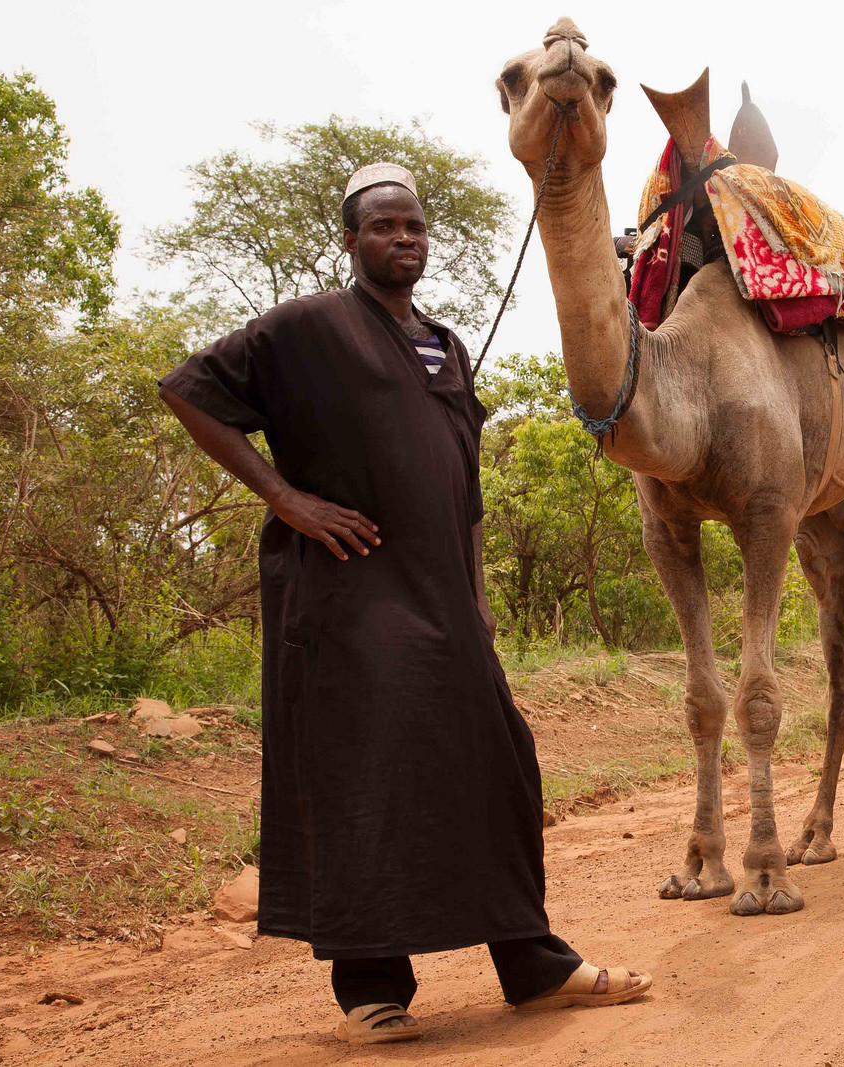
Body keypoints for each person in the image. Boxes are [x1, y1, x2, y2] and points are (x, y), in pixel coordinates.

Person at [158, 162, 650, 1045]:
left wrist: (476, 591)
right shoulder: (307, 327)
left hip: (444, 600)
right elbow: (189, 391)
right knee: (366, 774)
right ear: (351, 241)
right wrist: (286, 499)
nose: (404, 238)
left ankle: (532, 965)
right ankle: (371, 987)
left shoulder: (445, 345)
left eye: (414, 226)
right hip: (348, 598)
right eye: (384, 226)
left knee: (500, 762)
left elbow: (461, 485)